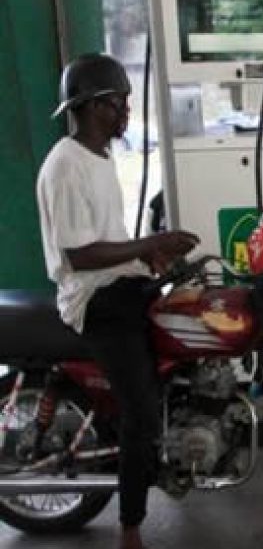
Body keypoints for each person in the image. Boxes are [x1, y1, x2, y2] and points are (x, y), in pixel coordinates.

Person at [37, 53, 199, 549]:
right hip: (92, 300)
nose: (126, 112)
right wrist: (150, 244)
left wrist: (151, 258)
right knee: (141, 411)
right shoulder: (65, 166)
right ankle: (130, 526)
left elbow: (108, 240)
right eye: (119, 103)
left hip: (116, 285)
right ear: (91, 107)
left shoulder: (101, 157)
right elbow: (81, 255)